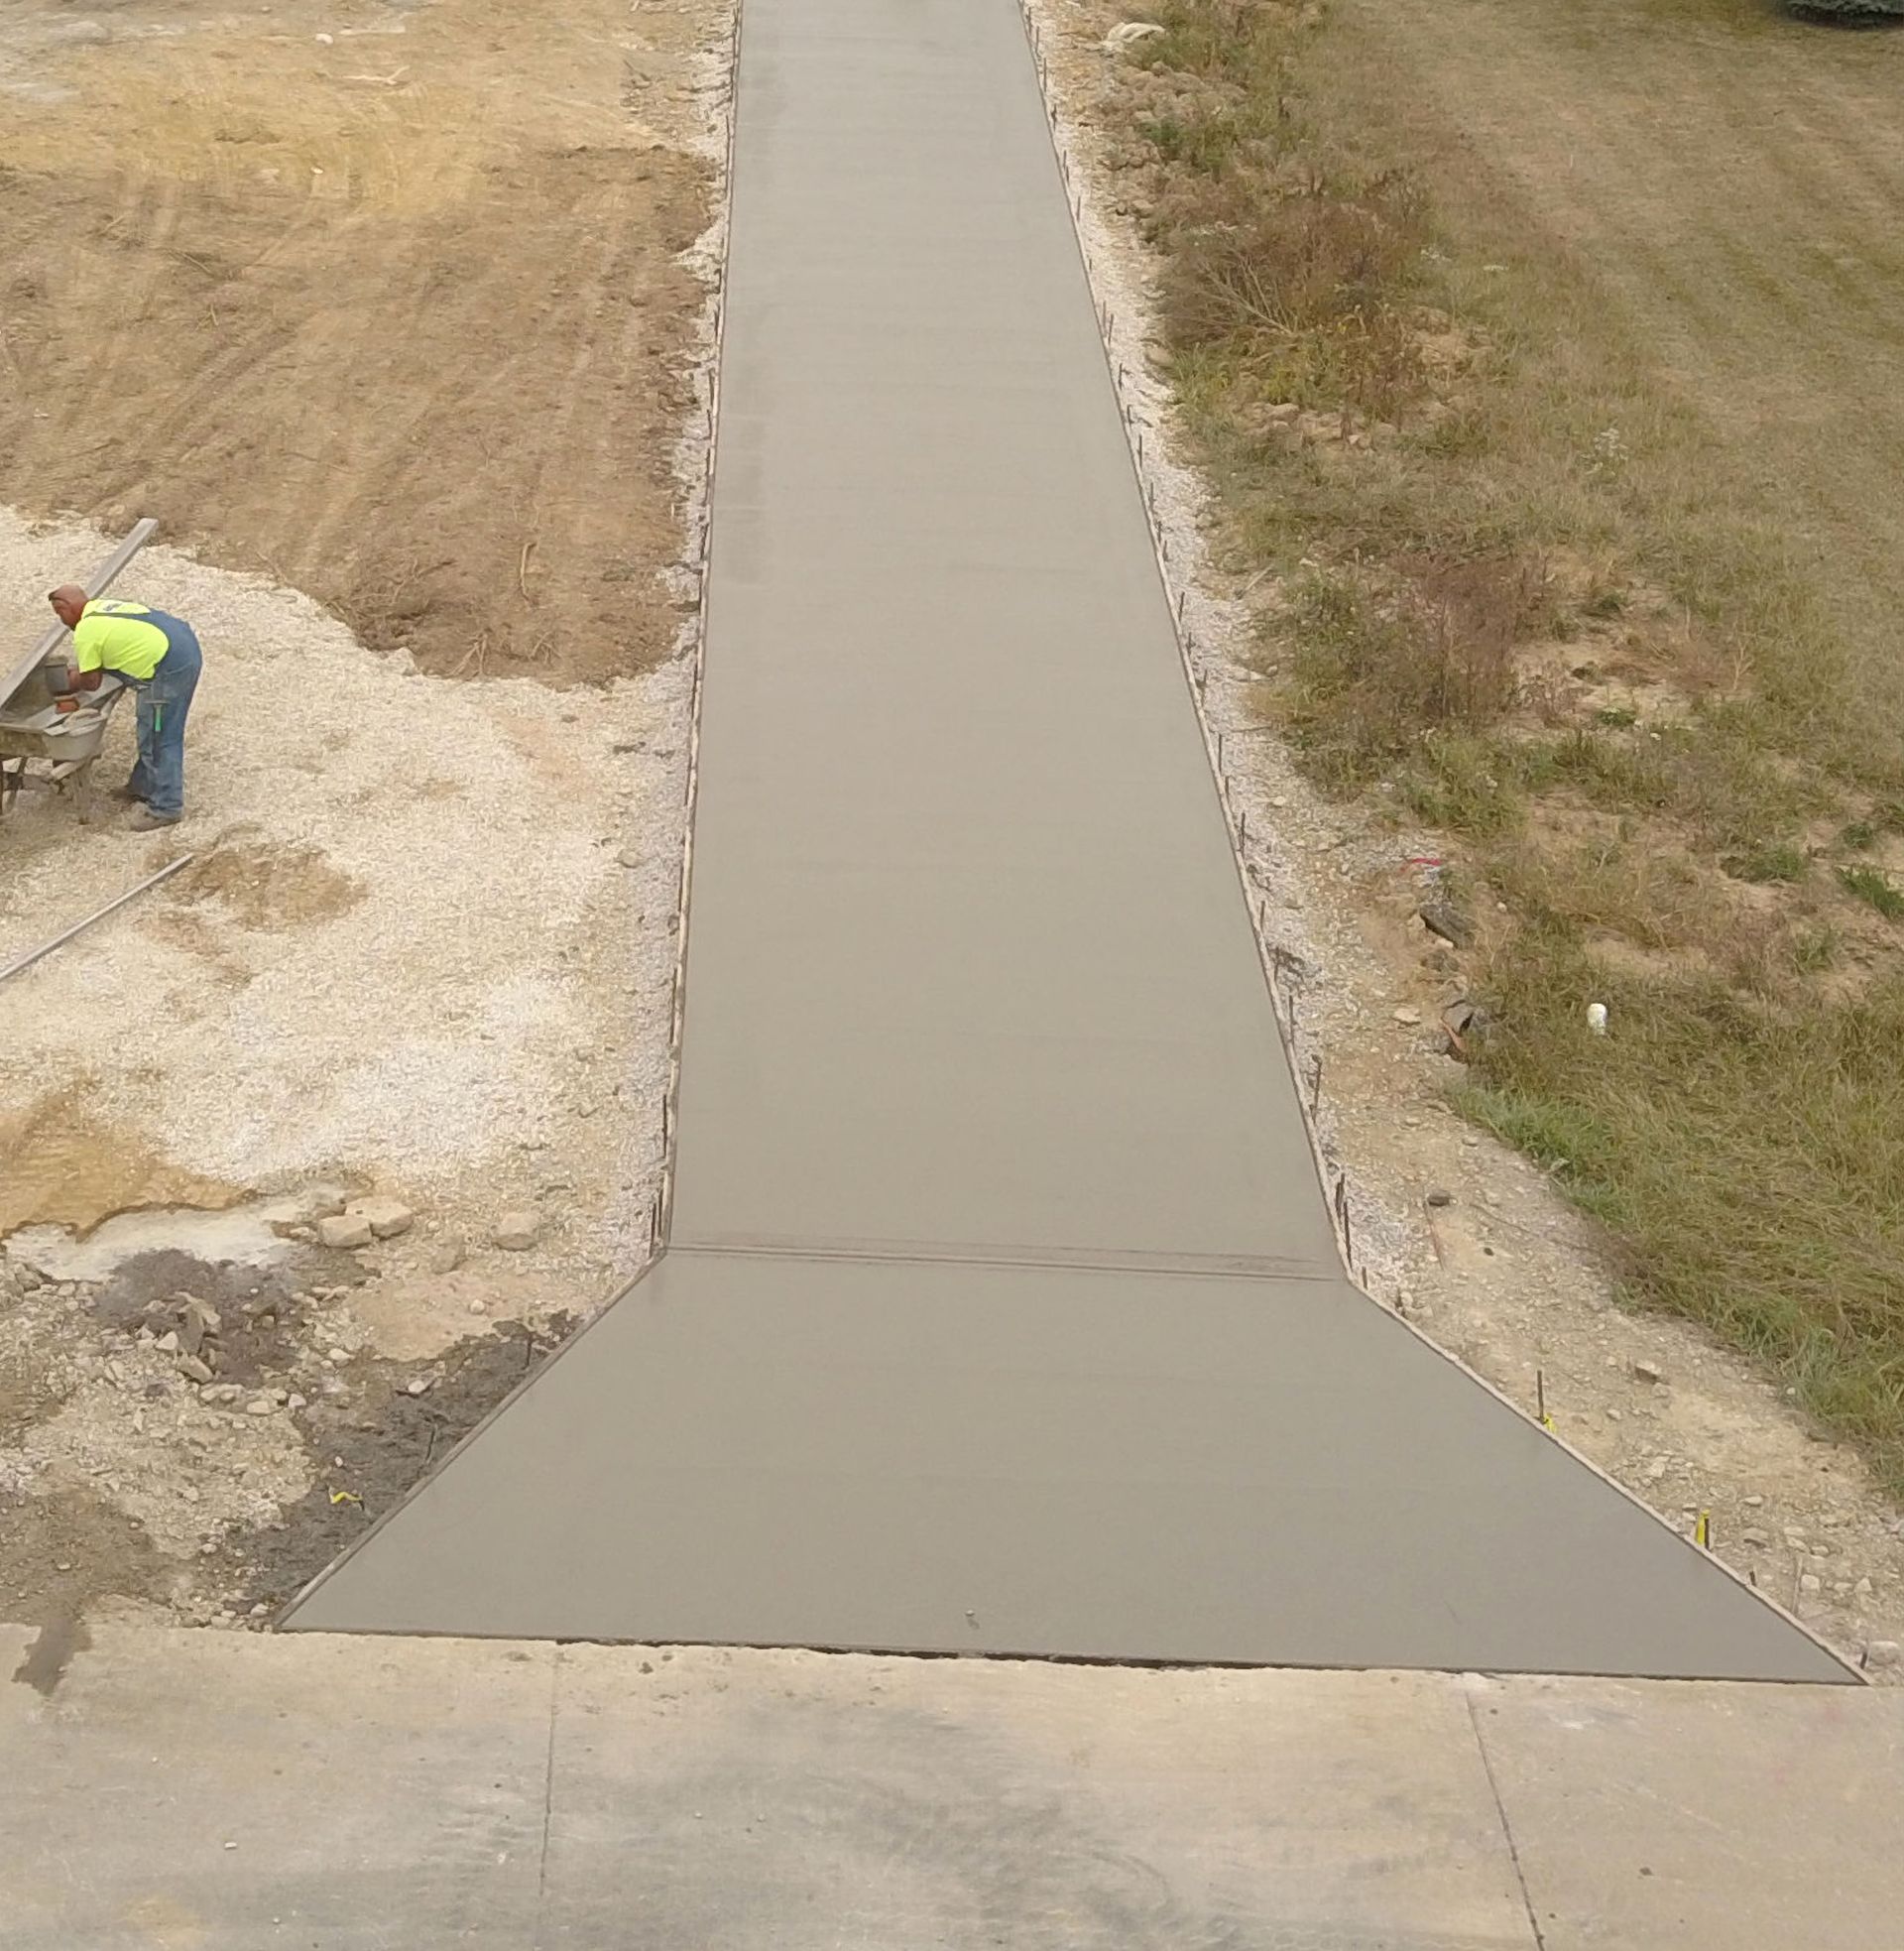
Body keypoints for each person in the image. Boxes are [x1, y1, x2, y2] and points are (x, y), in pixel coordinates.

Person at [47, 585, 202, 829]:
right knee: (152, 733)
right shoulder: (102, 607)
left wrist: (70, 679)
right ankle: (144, 786)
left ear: (64, 607)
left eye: (59, 614)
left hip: (169, 668)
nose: (62, 621)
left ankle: (166, 807)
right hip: (181, 644)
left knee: (159, 736)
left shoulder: (87, 630)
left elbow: (91, 681)